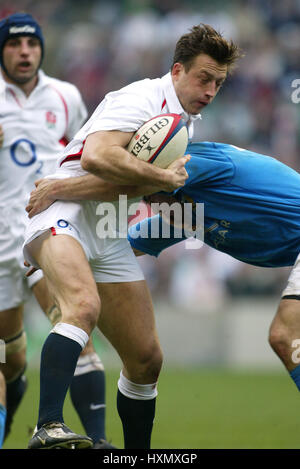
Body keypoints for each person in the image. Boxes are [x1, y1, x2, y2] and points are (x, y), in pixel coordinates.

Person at [22, 24, 241, 449]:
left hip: (106, 227)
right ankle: (47, 426)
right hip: (61, 216)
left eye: (219, 82)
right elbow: (97, 156)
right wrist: (161, 177)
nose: (211, 90)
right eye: (203, 78)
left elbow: (132, 188)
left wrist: (159, 192)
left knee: (145, 359)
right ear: (177, 70)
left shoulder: (184, 124)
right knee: (82, 306)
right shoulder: (140, 98)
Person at [26, 141, 300, 418]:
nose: (151, 205)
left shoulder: (198, 161)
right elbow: (116, 245)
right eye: (148, 202)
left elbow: (127, 182)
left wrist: (59, 189)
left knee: (286, 335)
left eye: (148, 197)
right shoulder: (186, 214)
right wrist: (56, 249)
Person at [0, 12, 112, 449]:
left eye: (31, 44)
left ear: (41, 48)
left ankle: (98, 443)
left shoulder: (65, 96)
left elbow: (84, 155)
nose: (24, 51)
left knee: (76, 323)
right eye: (13, 44)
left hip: (41, 233)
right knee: (10, 360)